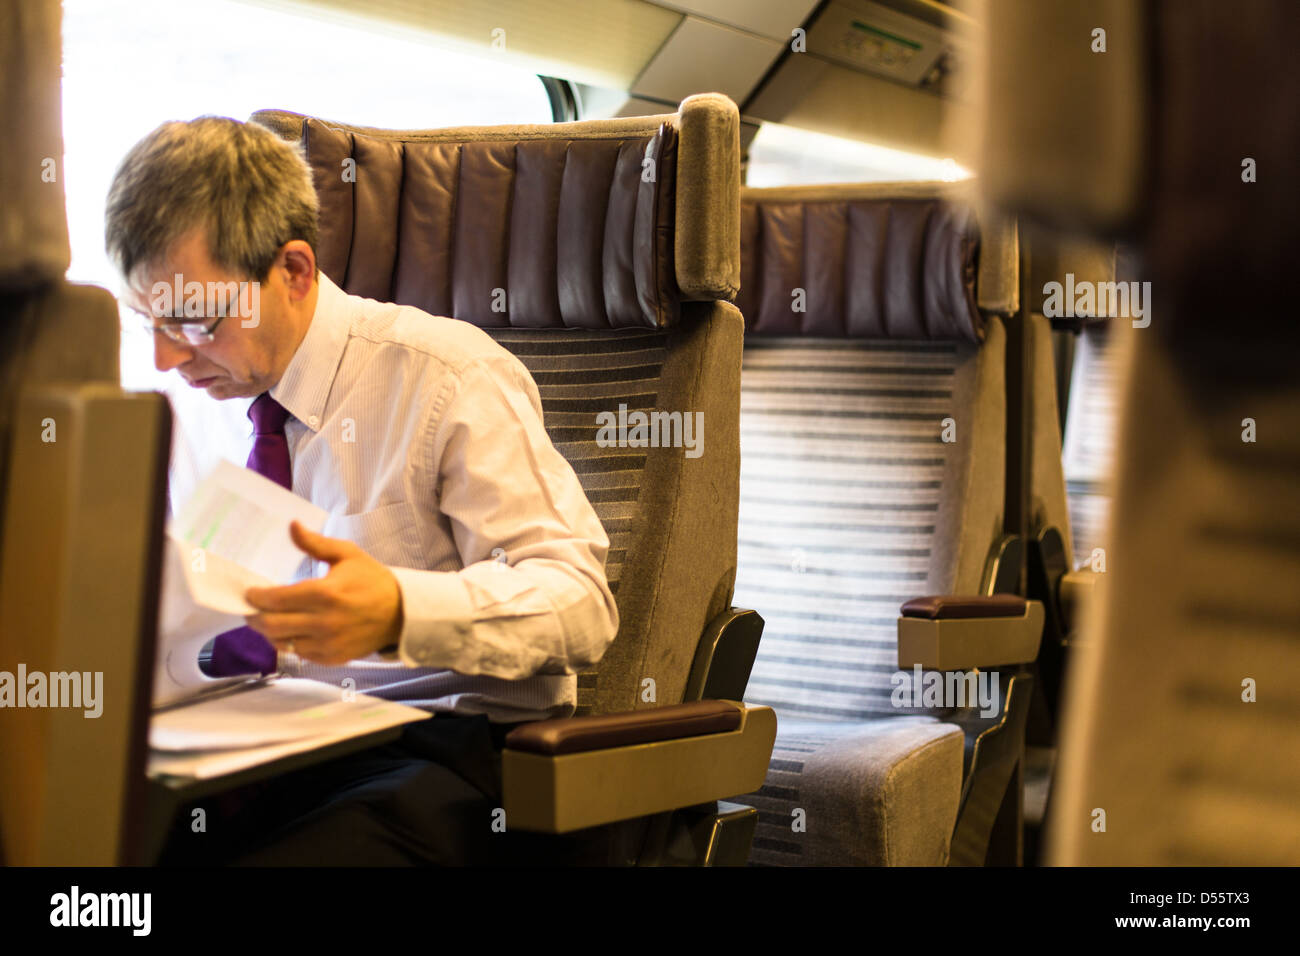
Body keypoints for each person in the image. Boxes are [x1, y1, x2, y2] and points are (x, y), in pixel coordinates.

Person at [105, 116, 619, 864]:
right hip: (255, 747)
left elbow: (581, 602)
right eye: (147, 320)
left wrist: (402, 611)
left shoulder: (447, 377)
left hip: (439, 753)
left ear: (294, 271)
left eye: (195, 319)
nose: (165, 356)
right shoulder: (205, 407)